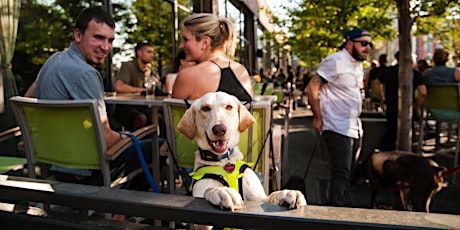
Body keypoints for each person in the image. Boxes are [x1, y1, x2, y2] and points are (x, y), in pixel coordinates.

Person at [32, 7, 163, 192]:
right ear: (78, 35)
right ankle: (123, 211)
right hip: (86, 171)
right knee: (159, 144)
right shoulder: (86, 74)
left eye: (110, 40)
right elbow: (106, 140)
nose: (106, 47)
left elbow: (28, 99)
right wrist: (128, 137)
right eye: (98, 38)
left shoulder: (53, 61)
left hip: (53, 161)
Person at [306, 28, 372, 207]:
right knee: (341, 172)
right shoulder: (335, 61)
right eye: (364, 43)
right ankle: (335, 212)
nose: (368, 48)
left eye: (370, 44)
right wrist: (318, 117)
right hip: (335, 125)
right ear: (350, 43)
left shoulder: (357, 65)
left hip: (354, 126)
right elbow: (312, 88)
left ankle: (336, 203)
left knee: (349, 170)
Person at [171, 13, 253, 101]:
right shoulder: (241, 70)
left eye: (186, 39)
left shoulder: (187, 76)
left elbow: (172, 114)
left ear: (205, 43)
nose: (181, 45)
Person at [374, 51, 427, 151]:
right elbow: (423, 92)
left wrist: (381, 99)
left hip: (390, 106)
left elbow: (376, 82)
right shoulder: (413, 73)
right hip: (408, 108)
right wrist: (417, 105)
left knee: (391, 132)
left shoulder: (387, 71)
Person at [113, 41, 159, 131]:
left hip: (142, 106)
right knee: (141, 118)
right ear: (139, 53)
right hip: (125, 107)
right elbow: (118, 86)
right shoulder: (128, 66)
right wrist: (141, 90)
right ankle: (133, 144)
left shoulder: (149, 68)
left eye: (152, 52)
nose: (152, 55)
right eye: (149, 52)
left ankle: (157, 144)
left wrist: (155, 82)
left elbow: (155, 81)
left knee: (159, 117)